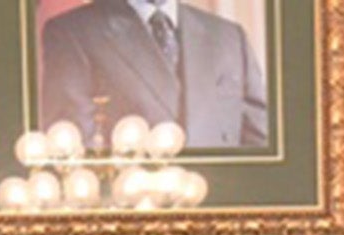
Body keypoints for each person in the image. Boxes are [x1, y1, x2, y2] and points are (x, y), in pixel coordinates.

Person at [39, 0, 268, 150]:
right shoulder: (73, 32)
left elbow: (260, 140)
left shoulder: (229, 36)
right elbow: (72, 143)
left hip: (226, 212)